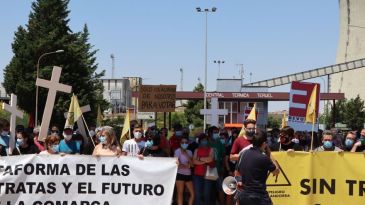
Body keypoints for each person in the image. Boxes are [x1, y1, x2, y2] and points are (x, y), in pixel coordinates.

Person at [236, 129, 280, 205]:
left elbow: (238, 171)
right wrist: (270, 155)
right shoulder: (264, 158)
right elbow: (276, 171)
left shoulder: (243, 154)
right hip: (259, 197)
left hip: (244, 196)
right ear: (264, 143)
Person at [193, 133, 214, 205]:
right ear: (200, 141)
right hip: (197, 175)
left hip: (208, 174)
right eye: (203, 140)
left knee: (206, 195)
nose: (204, 141)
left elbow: (210, 159)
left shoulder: (211, 149)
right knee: (197, 195)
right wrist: (205, 161)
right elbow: (194, 161)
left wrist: (199, 159)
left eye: (205, 140)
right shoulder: (196, 150)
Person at [174, 136, 194, 205]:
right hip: (180, 174)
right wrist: (187, 165)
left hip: (188, 175)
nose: (184, 144)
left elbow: (192, 165)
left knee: (192, 194)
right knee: (180, 193)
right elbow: (178, 165)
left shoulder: (190, 152)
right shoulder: (177, 151)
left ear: (188, 143)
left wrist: (186, 155)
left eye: (186, 142)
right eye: (183, 142)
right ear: (180, 143)